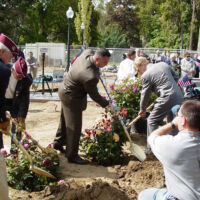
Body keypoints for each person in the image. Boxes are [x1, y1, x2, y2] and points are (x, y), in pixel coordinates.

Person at [53, 48, 117, 164]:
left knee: (64, 119)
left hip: (64, 88)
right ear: (97, 59)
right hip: (72, 96)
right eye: (104, 62)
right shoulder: (89, 76)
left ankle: (58, 143)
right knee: (74, 126)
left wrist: (97, 68)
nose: (106, 65)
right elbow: (95, 96)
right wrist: (108, 105)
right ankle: (72, 156)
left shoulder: (87, 53)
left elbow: (87, 50)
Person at [138, 100, 200, 200]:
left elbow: (152, 137)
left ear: (183, 120)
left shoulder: (172, 145)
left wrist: (172, 124)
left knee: (144, 195)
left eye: (178, 115)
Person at [134, 57, 184, 148]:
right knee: (173, 122)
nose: (139, 73)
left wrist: (142, 109)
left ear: (141, 65)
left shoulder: (146, 75)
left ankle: (152, 149)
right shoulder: (163, 64)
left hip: (166, 97)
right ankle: (175, 146)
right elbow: (177, 77)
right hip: (179, 97)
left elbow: (145, 94)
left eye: (138, 70)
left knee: (152, 120)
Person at [0, 33, 20, 200]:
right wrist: (3, 120)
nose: (10, 59)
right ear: (1, 52)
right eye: (9, 55)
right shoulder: (3, 71)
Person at [0, 57, 32, 150]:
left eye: (22, 77)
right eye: (18, 76)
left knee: (17, 128)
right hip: (2, 101)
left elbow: (25, 99)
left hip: (14, 103)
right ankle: (1, 153)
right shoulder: (3, 72)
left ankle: (15, 152)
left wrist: (22, 116)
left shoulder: (25, 80)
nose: (20, 78)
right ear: (12, 70)